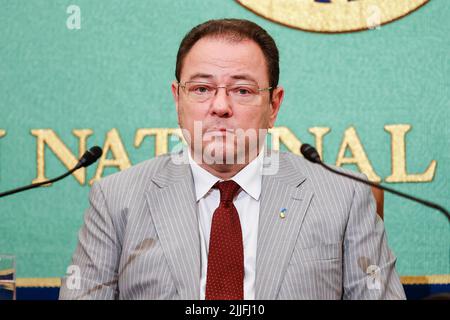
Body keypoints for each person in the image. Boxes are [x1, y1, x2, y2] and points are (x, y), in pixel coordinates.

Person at [59, 18, 406, 300]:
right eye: (201, 89)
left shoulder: (345, 197)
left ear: (274, 105)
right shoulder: (116, 198)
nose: (221, 106)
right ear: (177, 100)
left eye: (242, 90)